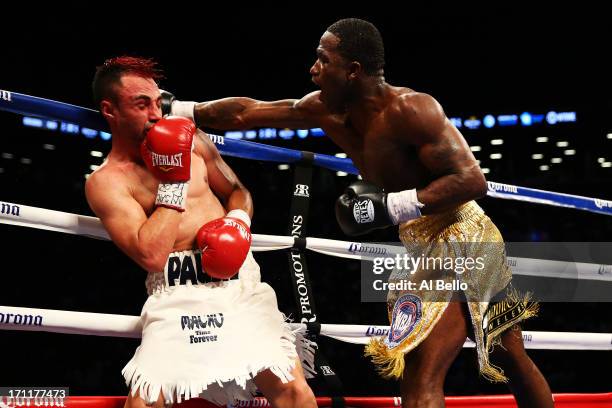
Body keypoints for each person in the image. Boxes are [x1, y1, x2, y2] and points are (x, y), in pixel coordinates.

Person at [164, 18, 554, 408]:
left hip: (464, 236)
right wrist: (174, 109)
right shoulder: (322, 110)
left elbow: (471, 180)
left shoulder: (413, 109)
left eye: (323, 60)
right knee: (477, 361)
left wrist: (389, 206)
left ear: (352, 71)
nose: (312, 70)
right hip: (421, 242)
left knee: (458, 364)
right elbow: (247, 113)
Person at [85, 56, 317, 408]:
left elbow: (238, 191)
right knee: (143, 402)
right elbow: (150, 254)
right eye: (141, 104)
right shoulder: (107, 182)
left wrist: (237, 222)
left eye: (156, 101)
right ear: (110, 110)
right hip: (175, 293)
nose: (155, 113)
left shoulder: (191, 139)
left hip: (238, 285)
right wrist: (173, 180)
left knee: (295, 392)